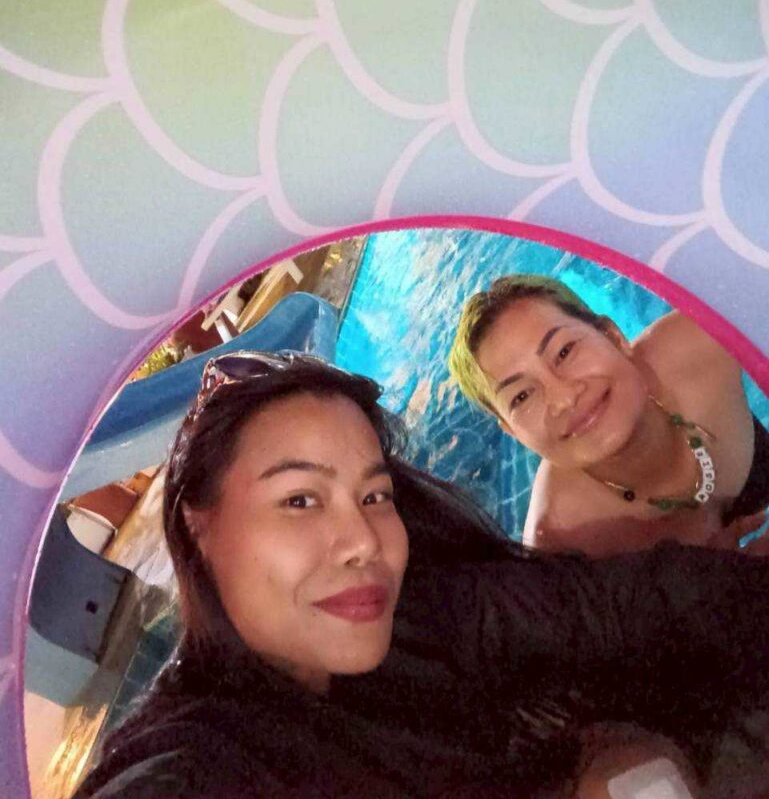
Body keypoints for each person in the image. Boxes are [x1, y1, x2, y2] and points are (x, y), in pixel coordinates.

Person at [74, 351, 769, 799]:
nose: (362, 541)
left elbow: (613, 606)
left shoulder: (421, 614)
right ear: (199, 528)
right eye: (299, 500)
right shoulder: (193, 762)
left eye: (374, 496)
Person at [449, 275, 769, 556]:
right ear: (513, 432)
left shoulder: (700, 345)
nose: (564, 398)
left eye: (564, 351)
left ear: (613, 337)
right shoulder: (564, 544)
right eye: (521, 396)